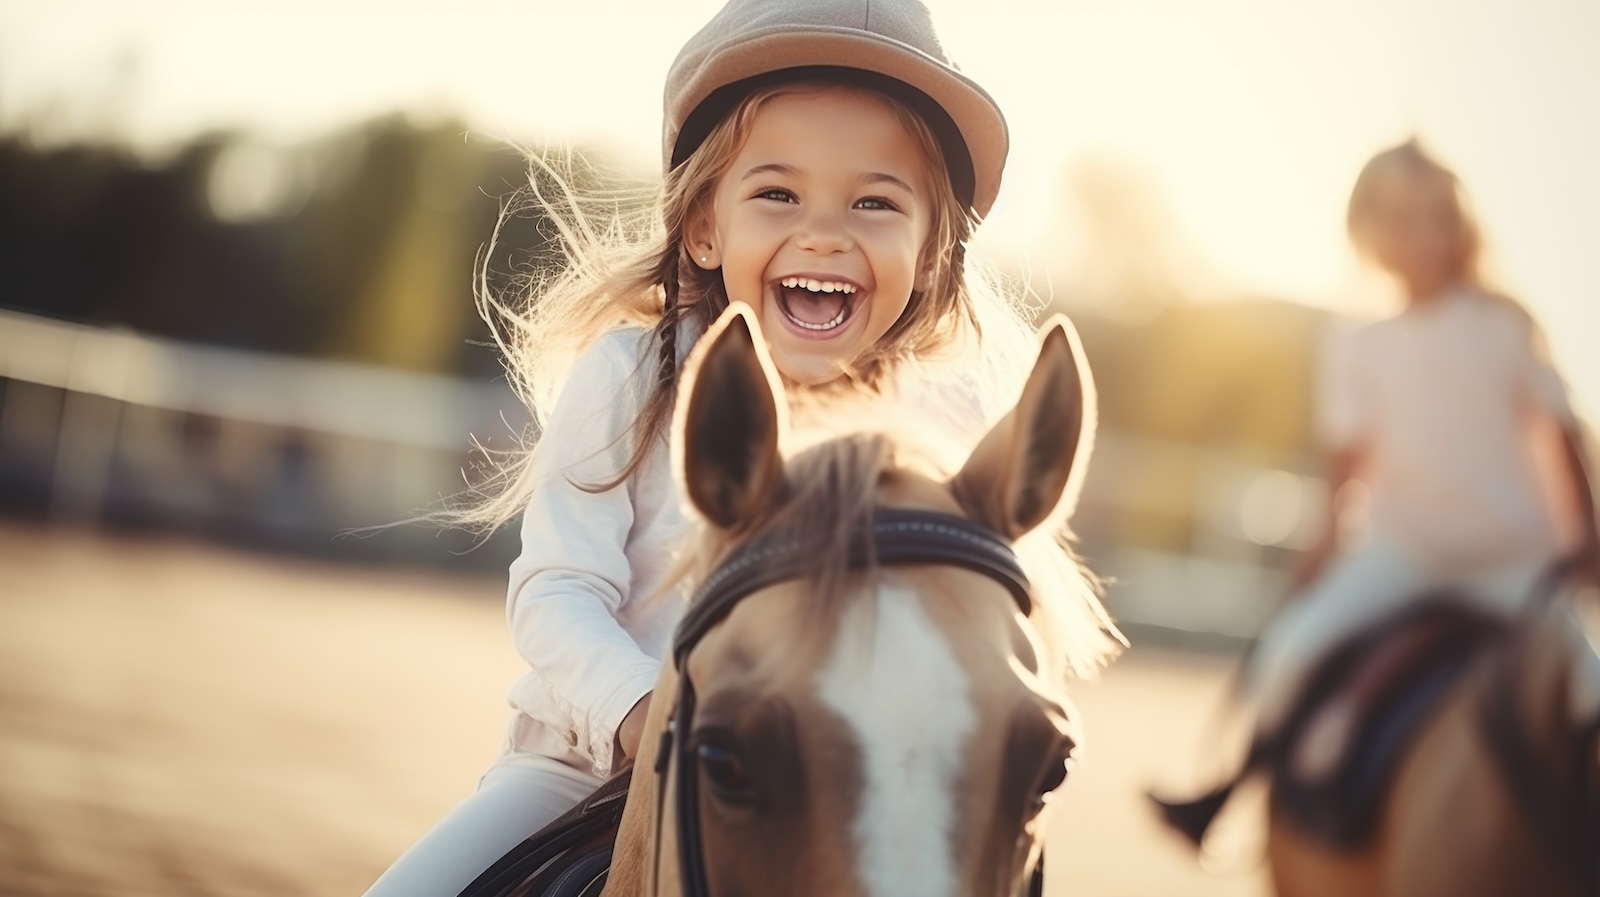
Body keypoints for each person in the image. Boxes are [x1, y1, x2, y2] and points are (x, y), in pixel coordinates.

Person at [360, 2, 1116, 895]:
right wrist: (649, 716)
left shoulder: (950, 416)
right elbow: (558, 587)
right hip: (584, 766)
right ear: (705, 226)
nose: (826, 231)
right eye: (778, 194)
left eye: (876, 201)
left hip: (846, 777)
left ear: (933, 245)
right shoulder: (635, 371)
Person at [1155, 138, 1600, 842]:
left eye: (1438, 216)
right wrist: (1324, 544)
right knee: (1293, 651)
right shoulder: (1358, 340)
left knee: (1590, 687)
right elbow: (1347, 465)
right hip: (1403, 551)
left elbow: (1562, 432)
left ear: (1463, 224)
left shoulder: (1505, 324)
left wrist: (1588, 539)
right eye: (1400, 220)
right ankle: (1226, 791)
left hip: (1513, 559)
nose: (1423, 236)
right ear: (1368, 233)